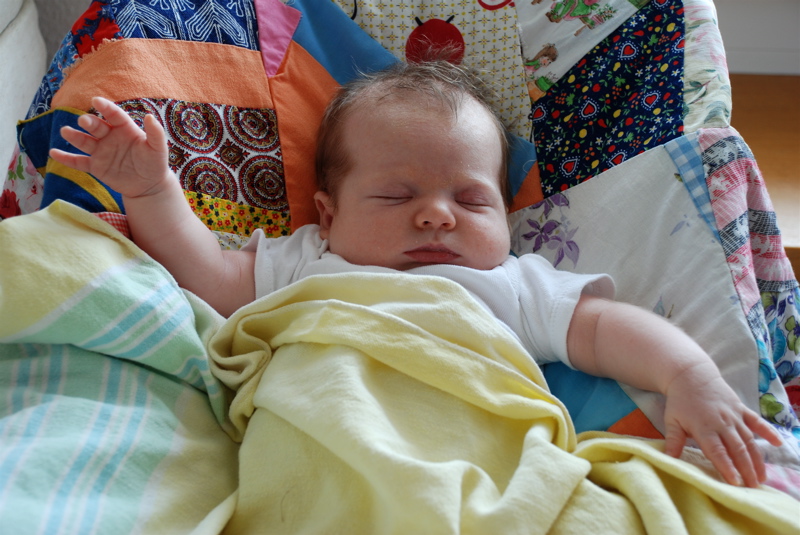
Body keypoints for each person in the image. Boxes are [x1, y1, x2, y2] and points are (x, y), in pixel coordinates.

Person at [50, 60, 782, 490]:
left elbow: (604, 329)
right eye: (397, 197)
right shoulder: (308, 261)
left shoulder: (513, 283)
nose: (436, 216)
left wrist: (689, 374)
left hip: (478, 458)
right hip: (319, 438)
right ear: (328, 214)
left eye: (471, 200)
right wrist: (152, 190)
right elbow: (205, 277)